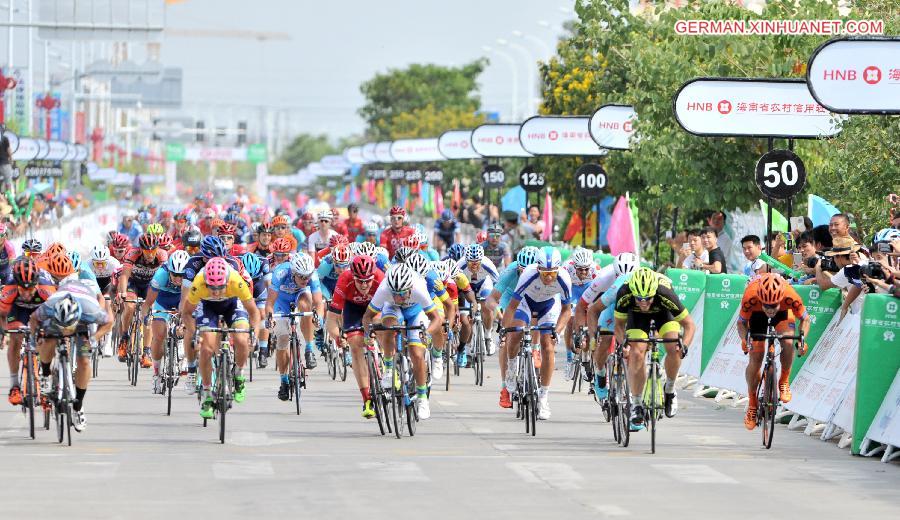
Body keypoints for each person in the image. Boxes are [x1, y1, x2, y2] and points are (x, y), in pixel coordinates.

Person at [30, 262, 114, 432]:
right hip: (56, 320)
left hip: (80, 323)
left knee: (83, 360)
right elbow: (33, 319)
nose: (66, 332)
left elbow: (109, 321)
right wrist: (35, 338)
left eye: (67, 329)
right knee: (48, 340)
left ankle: (78, 406)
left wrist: (94, 338)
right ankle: (46, 374)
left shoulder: (91, 311)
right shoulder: (50, 306)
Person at [613, 267, 695, 430]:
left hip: (663, 314)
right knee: (636, 353)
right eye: (639, 298)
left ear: (654, 293)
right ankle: (636, 405)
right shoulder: (625, 293)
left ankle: (670, 390)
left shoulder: (665, 293)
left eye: (648, 298)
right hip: (637, 318)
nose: (643, 302)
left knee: (674, 347)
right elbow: (619, 326)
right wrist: (624, 345)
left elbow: (689, 325)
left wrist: (684, 345)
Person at [182, 257, 261, 419]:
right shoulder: (199, 283)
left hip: (231, 304)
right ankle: (207, 394)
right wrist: (194, 332)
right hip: (207, 307)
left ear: (226, 281)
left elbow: (254, 312)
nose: (216, 292)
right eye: (212, 287)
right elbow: (187, 313)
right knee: (206, 349)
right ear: (206, 282)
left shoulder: (236, 281)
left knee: (242, 339)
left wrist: (254, 334)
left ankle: (239, 375)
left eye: (220, 287)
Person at [363, 264, 444, 420]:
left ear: (410, 288)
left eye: (401, 293)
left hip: (416, 311)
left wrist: (426, 334)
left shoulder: (419, 288)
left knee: (416, 353)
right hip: (392, 309)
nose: (398, 297)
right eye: (395, 293)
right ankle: (388, 369)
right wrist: (368, 334)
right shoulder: (384, 290)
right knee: (389, 326)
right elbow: (367, 317)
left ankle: (422, 398)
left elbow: (436, 318)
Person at [502, 247, 572, 420]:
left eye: (552, 274)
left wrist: (557, 330)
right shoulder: (528, 274)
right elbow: (511, 307)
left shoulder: (564, 278)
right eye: (545, 273)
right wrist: (505, 329)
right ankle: (511, 368)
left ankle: (544, 397)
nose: (549, 278)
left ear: (558, 270)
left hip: (548, 305)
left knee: (548, 346)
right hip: (526, 303)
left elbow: (566, 310)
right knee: (515, 334)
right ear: (538, 269)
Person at [737, 273, 810, 430]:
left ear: (780, 298)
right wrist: (744, 339)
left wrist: (802, 339)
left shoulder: (790, 295)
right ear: (761, 299)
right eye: (767, 305)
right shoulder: (750, 295)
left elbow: (805, 319)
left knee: (788, 342)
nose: (770, 309)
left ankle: (783, 380)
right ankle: (752, 404)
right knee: (755, 357)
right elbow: (741, 323)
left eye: (773, 305)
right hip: (756, 316)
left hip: (783, 315)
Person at [326, 255, 384, 418]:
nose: (364, 285)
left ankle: (391, 367)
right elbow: (331, 319)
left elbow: (390, 312)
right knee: (355, 344)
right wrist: (338, 338)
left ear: (374, 276)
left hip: (375, 308)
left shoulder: (381, 278)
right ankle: (367, 398)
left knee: (382, 329)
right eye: (360, 281)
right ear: (353, 276)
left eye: (368, 281)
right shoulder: (345, 279)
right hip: (354, 309)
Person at [2, 258, 56, 405]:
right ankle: (14, 385)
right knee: (15, 339)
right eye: (22, 289)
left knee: (46, 338)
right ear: (17, 284)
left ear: (37, 284)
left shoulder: (47, 287)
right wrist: (3, 333)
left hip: (41, 308)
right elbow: (2, 314)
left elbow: (55, 314)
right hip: (18, 309)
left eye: (30, 289)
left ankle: (45, 376)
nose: (26, 294)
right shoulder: (10, 286)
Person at [140, 250, 190, 394]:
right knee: (159, 335)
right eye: (175, 275)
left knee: (188, 324)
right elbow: (148, 303)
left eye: (182, 276)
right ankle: (156, 373)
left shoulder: (191, 276)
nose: (178, 279)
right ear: (169, 271)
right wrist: (146, 317)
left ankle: (185, 354)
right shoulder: (160, 275)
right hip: (163, 301)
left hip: (183, 298)